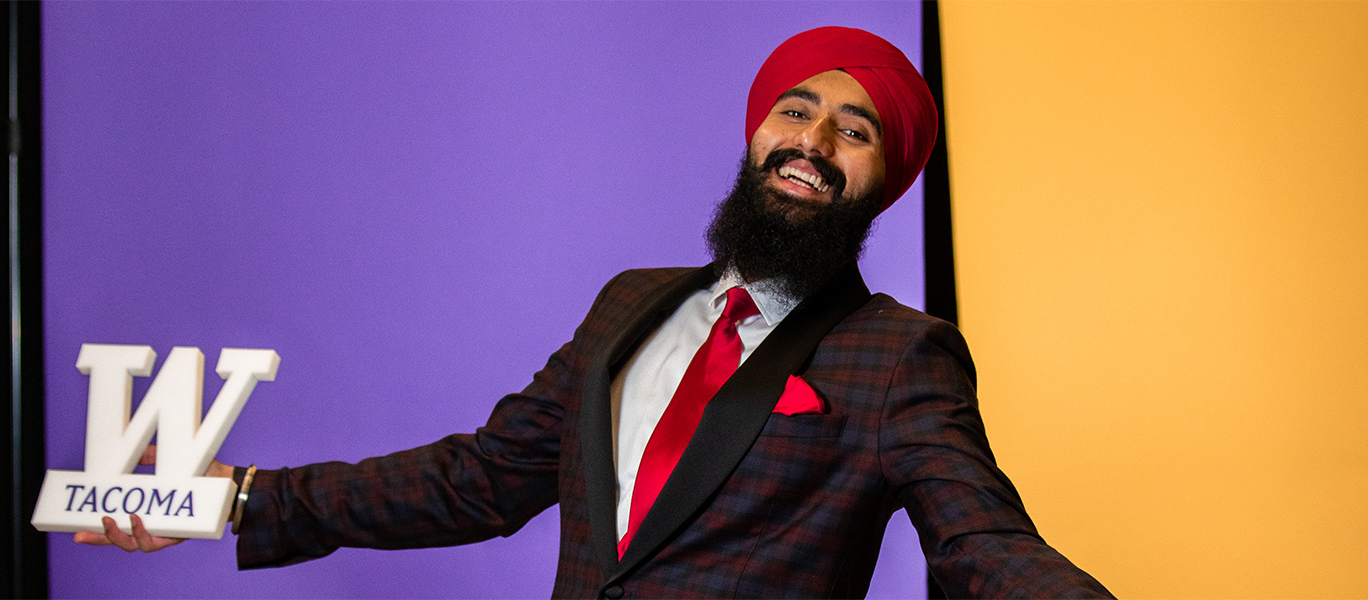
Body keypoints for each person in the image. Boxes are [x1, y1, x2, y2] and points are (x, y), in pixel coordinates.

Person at [78, 26, 1113, 598]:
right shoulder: (630, 305)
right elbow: (479, 483)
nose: (812, 140)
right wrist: (242, 497)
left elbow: (982, 544)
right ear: (757, 135)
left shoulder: (900, 354)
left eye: (855, 132)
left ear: (884, 180)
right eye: (794, 111)